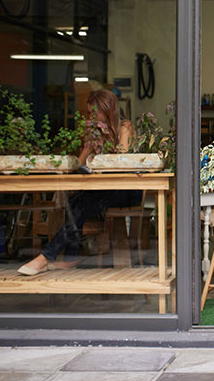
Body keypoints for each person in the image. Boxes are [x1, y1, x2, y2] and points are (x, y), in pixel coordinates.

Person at [18, 89, 140, 275]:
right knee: (76, 199)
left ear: (107, 109)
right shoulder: (96, 131)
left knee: (82, 202)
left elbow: (120, 162)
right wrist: (88, 147)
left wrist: (107, 140)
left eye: (95, 111)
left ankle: (49, 257)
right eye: (90, 112)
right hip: (105, 190)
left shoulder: (125, 127)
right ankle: (66, 257)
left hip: (126, 190)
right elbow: (79, 164)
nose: (92, 116)